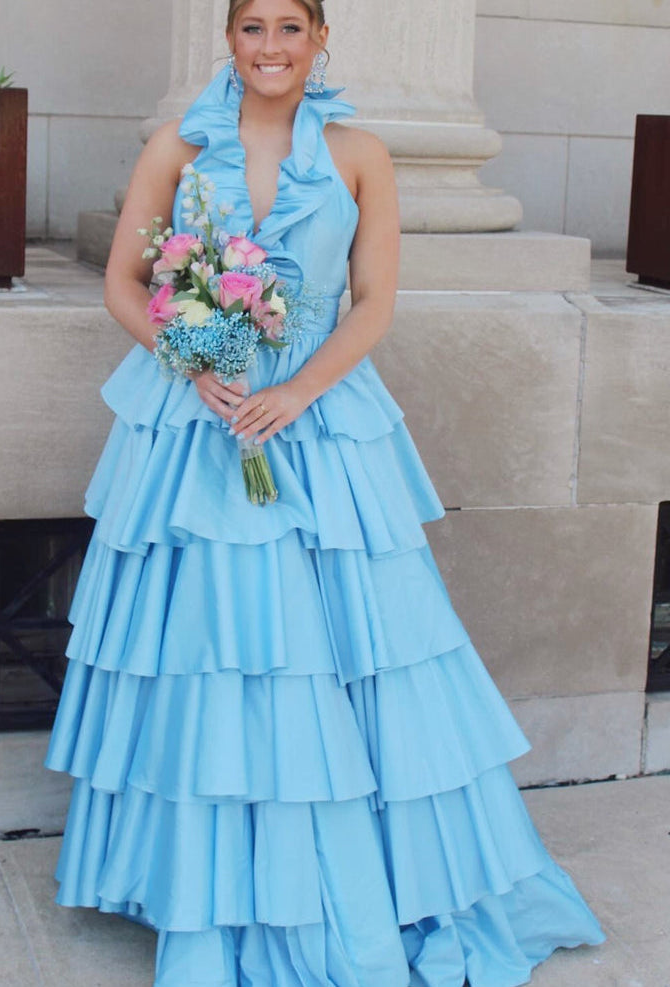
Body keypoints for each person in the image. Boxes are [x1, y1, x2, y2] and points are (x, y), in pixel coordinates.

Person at [45, 1, 605, 984]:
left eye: (289, 29)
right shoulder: (180, 147)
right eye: (252, 27)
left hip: (319, 421)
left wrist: (296, 393)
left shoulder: (360, 153)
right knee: (209, 651)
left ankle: (345, 883)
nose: (270, 46)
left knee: (346, 647)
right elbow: (126, 284)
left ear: (319, 40)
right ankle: (207, 889)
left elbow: (375, 300)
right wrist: (187, 359)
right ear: (228, 40)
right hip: (194, 421)